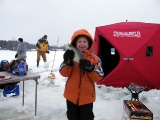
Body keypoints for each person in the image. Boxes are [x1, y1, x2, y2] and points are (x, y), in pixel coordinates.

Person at [59, 29, 104, 120]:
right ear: (75, 44)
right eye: (79, 41)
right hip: (71, 96)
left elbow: (99, 76)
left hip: (87, 98)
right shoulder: (70, 56)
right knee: (72, 116)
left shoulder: (95, 59)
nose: (82, 44)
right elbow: (63, 73)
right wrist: (67, 62)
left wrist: (91, 68)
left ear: (89, 44)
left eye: (84, 41)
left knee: (87, 117)